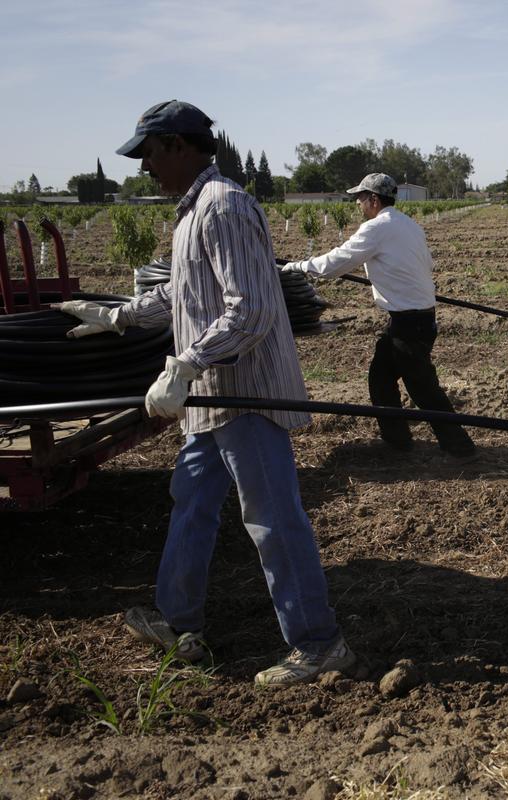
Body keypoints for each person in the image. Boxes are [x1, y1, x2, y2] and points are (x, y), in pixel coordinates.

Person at [53, 100, 353, 687]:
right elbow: (181, 299)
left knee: (271, 518)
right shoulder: (190, 214)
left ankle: (319, 643)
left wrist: (186, 364)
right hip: (209, 400)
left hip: (244, 395)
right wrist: (115, 316)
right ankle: (177, 620)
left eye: (147, 154)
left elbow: (254, 310)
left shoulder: (225, 207)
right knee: (190, 501)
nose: (143, 169)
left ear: (177, 145)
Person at [281, 174, 476, 459]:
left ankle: (460, 447)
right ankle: (397, 441)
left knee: (423, 390)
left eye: (360, 198)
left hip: (409, 322)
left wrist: (296, 267)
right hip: (416, 318)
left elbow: (336, 262)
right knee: (381, 379)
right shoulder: (409, 225)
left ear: (374, 199)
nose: (358, 204)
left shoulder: (376, 228)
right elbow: (421, 263)